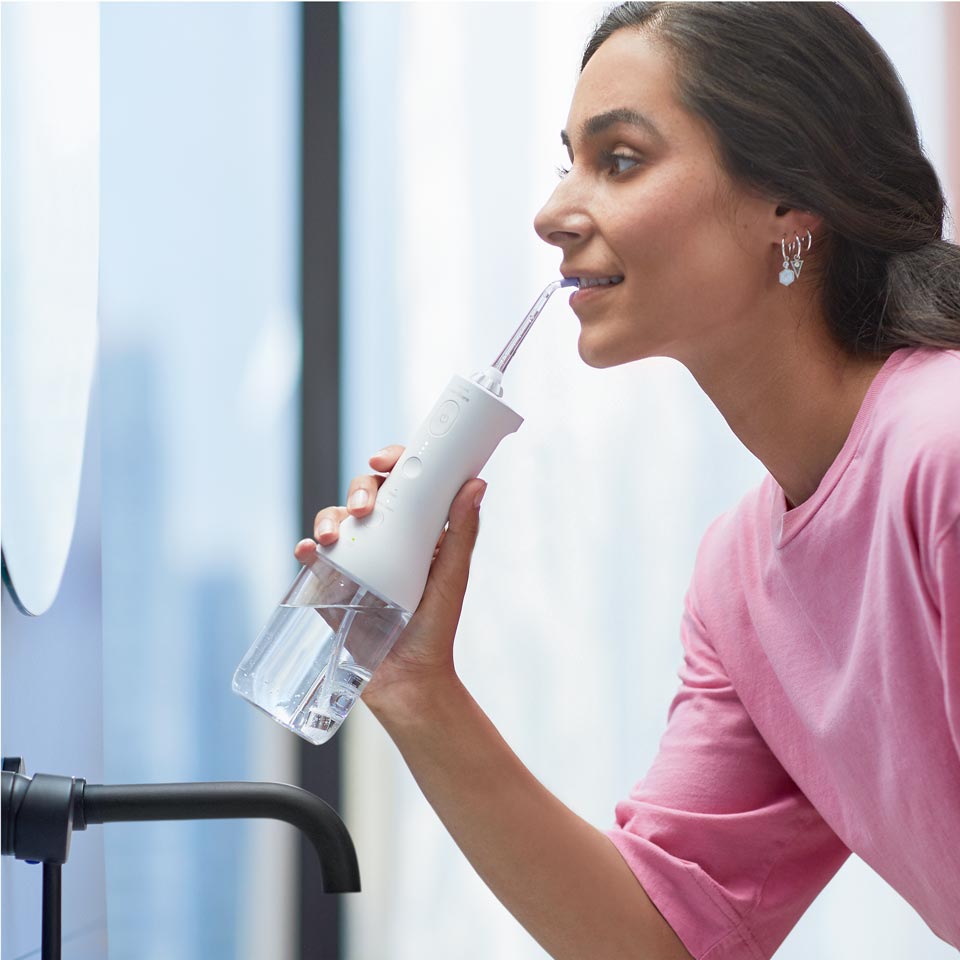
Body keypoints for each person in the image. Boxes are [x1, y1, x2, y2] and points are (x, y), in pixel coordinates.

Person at [295, 3, 960, 957]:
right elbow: (668, 940)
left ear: (792, 202)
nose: (552, 212)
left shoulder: (943, 455)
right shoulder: (744, 579)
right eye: (565, 160)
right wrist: (415, 686)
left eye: (618, 160)